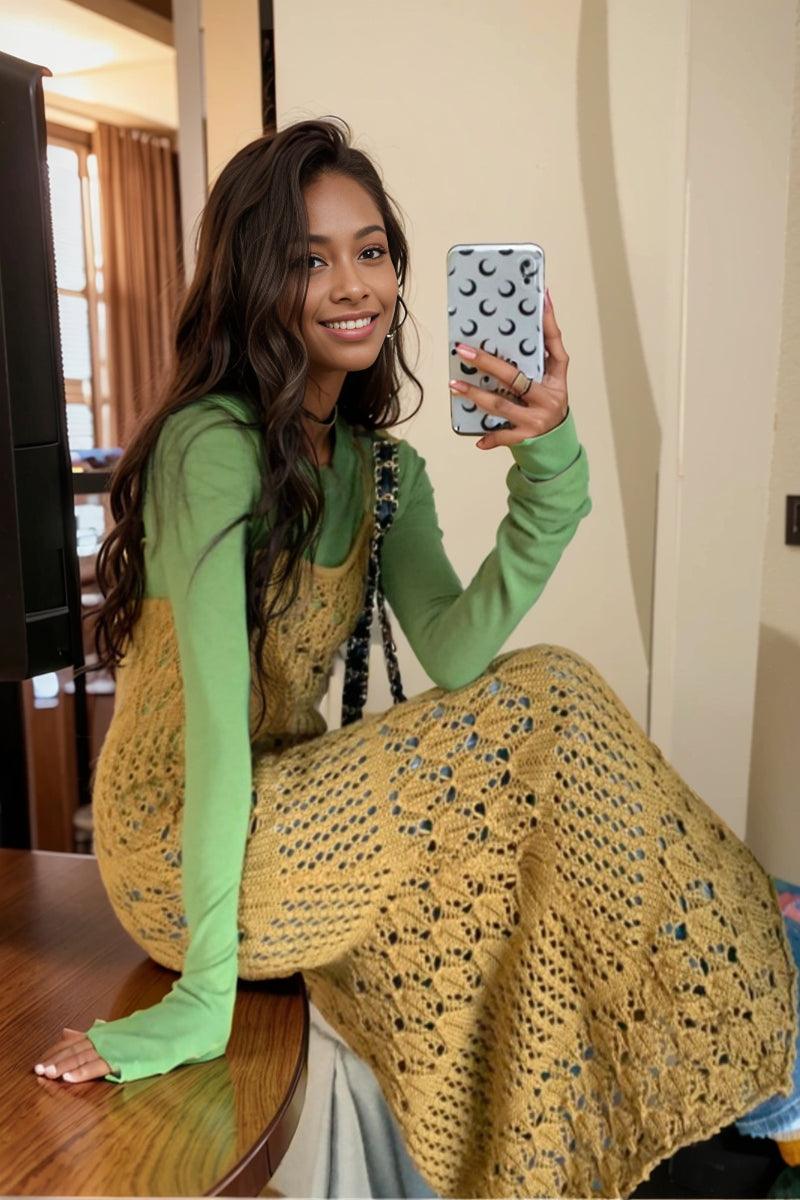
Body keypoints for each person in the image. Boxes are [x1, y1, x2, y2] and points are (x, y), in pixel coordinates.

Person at [31, 116, 799, 1199]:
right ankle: (771, 1018)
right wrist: (202, 995)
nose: (353, 284)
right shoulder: (211, 445)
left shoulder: (380, 471)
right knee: (550, 698)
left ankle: (696, 1048)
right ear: (255, 280)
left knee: (533, 760)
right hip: (180, 840)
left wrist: (548, 459)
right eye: (309, 259)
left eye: (372, 250)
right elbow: (213, 738)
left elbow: (457, 648)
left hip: (286, 811)